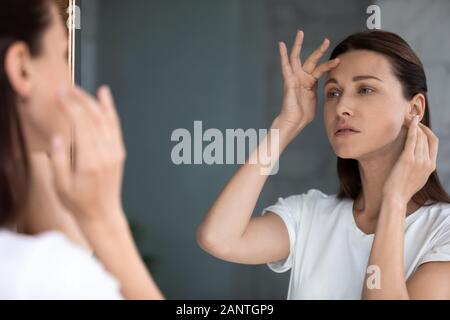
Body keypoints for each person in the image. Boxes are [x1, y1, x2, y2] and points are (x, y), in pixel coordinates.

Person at [197, 30, 450, 299]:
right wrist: (286, 126)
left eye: (365, 89)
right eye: (333, 92)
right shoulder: (308, 214)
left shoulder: (442, 230)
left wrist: (394, 201)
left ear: (414, 109)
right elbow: (218, 238)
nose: (342, 107)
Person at [0, 0, 163, 300]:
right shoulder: (36, 273)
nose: (70, 77)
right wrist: (104, 217)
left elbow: (69, 246)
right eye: (63, 54)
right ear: (22, 66)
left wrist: (22, 127)